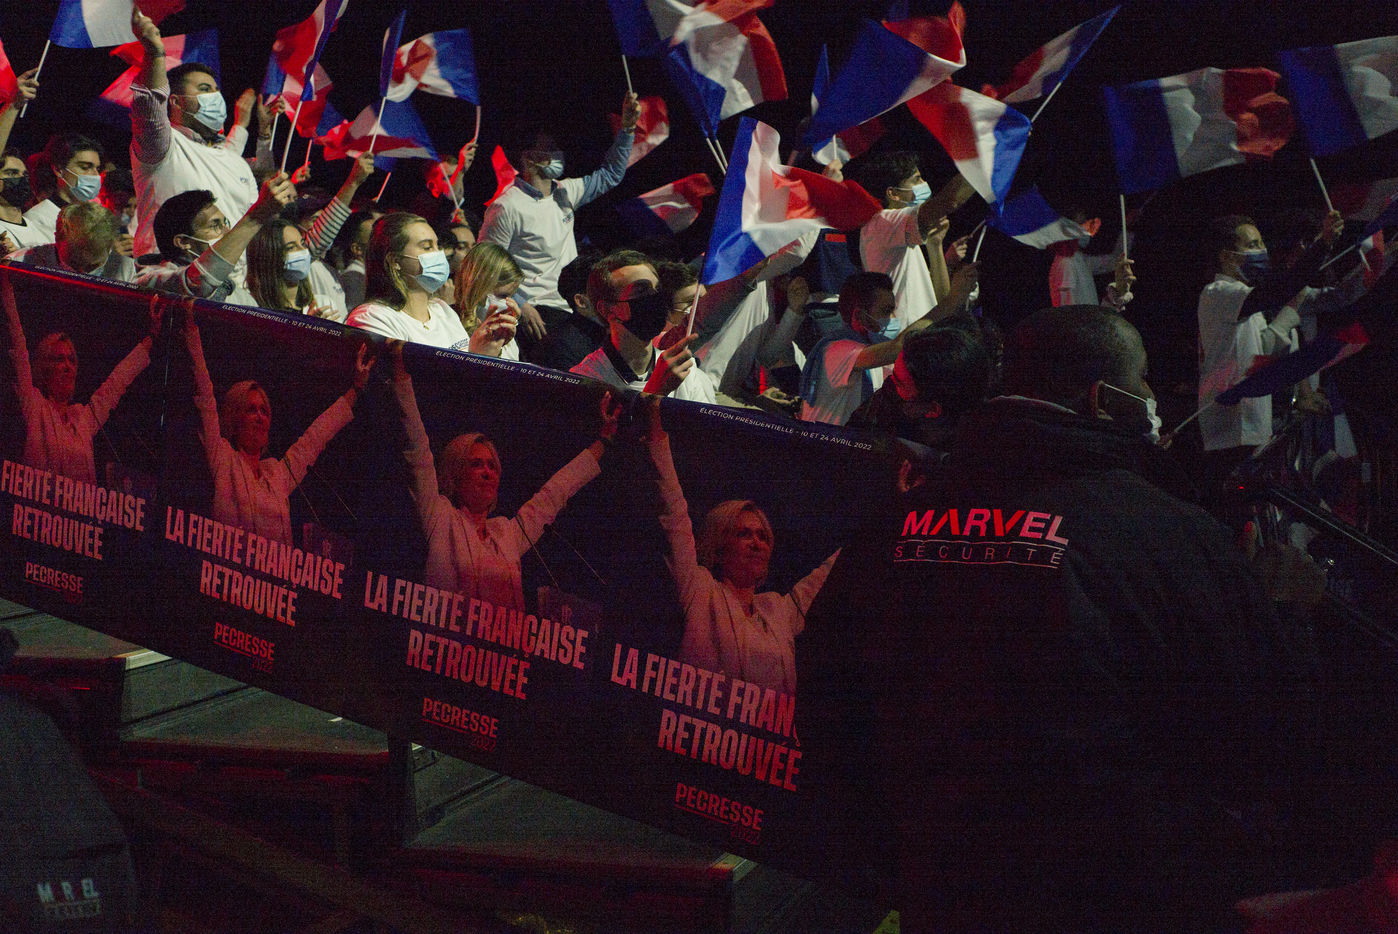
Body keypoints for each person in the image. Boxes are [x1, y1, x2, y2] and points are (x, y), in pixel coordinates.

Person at [800, 304, 1320, 931]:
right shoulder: (1166, 535)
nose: (1152, 393)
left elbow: (825, 692)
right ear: (1103, 398)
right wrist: (1284, 613)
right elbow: (1259, 728)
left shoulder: (897, 524)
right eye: (1142, 377)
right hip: (1115, 897)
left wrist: (893, 853)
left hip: (941, 887)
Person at [390, 342, 619, 614]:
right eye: (476, 464)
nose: (488, 472)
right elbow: (418, 451)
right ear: (455, 474)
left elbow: (554, 493)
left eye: (493, 466)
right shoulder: (440, 518)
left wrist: (604, 441)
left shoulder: (507, 533)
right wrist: (401, 377)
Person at [640, 396, 837, 697]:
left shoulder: (778, 610)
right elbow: (674, 515)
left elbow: (829, 571)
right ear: (720, 546)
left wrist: (896, 507)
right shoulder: (700, 590)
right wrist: (656, 434)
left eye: (763, 536)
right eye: (744, 534)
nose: (757, 543)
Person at [182, 312, 372, 546]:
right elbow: (205, 398)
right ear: (234, 419)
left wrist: (356, 389)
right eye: (251, 410)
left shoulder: (277, 474)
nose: (260, 417)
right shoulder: (222, 459)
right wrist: (191, 329)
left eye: (264, 411)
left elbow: (315, 437)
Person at [480, 94, 640, 349]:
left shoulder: (566, 191)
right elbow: (485, 268)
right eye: (551, 149)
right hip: (538, 314)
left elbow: (611, 174)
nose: (559, 154)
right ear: (529, 158)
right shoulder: (506, 207)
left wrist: (628, 129)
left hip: (573, 306)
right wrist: (520, 304)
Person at [1197, 212, 1340, 474]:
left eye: (1262, 243)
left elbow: (1265, 355)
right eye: (1252, 245)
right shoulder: (1218, 293)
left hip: (1254, 427)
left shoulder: (1249, 307)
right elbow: (1277, 291)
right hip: (1229, 430)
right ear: (1227, 256)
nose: (1262, 251)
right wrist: (1322, 245)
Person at [1, 269, 159, 484]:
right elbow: (18, 347)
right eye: (59, 359)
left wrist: (152, 337)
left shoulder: (83, 419)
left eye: (72, 360)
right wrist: (5, 286)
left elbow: (116, 384)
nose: (68, 366)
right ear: (42, 368)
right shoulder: (34, 407)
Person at [128, 6, 260, 260]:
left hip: (232, 278)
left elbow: (252, 227)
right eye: (204, 89)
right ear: (176, 102)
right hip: (172, 274)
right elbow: (149, 108)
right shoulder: (163, 147)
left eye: (216, 90)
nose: (216, 96)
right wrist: (155, 55)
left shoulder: (236, 163)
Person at [799, 265, 978, 425]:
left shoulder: (871, 353)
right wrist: (953, 299)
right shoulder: (836, 350)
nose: (893, 319)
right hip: (823, 448)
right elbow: (898, 347)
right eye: (886, 311)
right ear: (860, 316)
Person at [847, 152, 974, 332]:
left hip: (924, 335)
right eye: (916, 179)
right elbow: (950, 201)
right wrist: (980, 163)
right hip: (906, 339)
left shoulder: (902, 236)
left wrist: (935, 246)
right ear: (893, 193)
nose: (924, 184)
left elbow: (941, 300)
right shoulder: (882, 222)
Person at [570, 250, 715, 403]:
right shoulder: (583, 381)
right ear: (608, 310)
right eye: (641, 291)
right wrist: (655, 391)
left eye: (657, 289)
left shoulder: (684, 370)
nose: (655, 298)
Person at [135, 173, 298, 303]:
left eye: (225, 223)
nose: (227, 232)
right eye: (215, 226)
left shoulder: (241, 298)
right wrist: (257, 216)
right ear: (183, 242)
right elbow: (198, 284)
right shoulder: (149, 282)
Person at [846, 320, 994, 452]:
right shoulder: (885, 404)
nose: (889, 384)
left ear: (933, 409)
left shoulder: (975, 454)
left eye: (899, 383)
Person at [346, 213, 476, 350]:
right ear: (395, 261)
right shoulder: (372, 317)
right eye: (427, 247)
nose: (439, 254)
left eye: (438, 246)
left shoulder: (441, 309)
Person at [8, 201, 137, 283]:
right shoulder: (19, 263)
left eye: (93, 267)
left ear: (109, 247)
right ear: (58, 238)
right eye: (75, 263)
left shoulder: (124, 267)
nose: (82, 272)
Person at [24, 135, 105, 243]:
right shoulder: (36, 219)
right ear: (59, 170)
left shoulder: (96, 216)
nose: (96, 175)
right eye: (85, 167)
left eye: (97, 168)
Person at [451, 242, 523, 359]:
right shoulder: (448, 322)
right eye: (502, 296)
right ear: (476, 287)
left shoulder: (507, 338)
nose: (508, 303)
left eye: (511, 296)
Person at [0, 69, 42, 253]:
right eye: (11, 173)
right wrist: (13, 105)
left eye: (24, 174)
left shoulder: (41, 231)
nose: (21, 179)